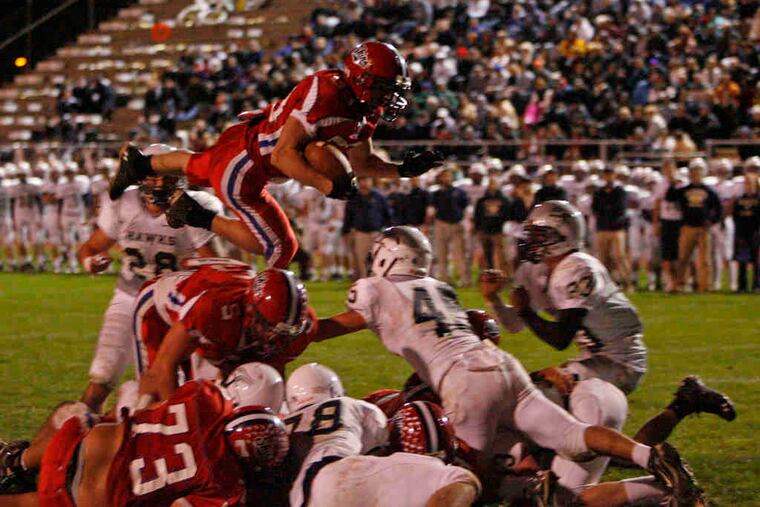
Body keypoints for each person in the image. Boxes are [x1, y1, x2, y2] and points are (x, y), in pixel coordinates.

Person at [311, 226, 703, 503]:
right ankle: (650, 457)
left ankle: (533, 486)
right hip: (500, 364)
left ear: (387, 255)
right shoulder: (439, 288)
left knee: (468, 479)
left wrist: (292, 331)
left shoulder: (373, 288)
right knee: (570, 433)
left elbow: (335, 327)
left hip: (462, 380)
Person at [108, 41, 442, 269]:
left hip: (249, 148)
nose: (389, 96)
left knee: (196, 164)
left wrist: (402, 170)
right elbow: (285, 155)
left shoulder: (364, 111)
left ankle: (140, 164)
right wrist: (327, 187)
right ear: (361, 77)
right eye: (385, 87)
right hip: (249, 164)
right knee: (282, 248)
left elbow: (363, 163)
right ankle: (258, 308)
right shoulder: (326, 91)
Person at [76, 146, 221, 412]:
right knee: (101, 377)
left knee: (170, 382)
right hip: (129, 297)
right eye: (155, 175)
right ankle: (78, 443)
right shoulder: (124, 203)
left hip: (173, 307)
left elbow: (215, 265)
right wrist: (91, 262)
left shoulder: (193, 206)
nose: (161, 182)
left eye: (168, 175)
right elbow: (89, 248)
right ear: (141, 176)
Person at [0, 380, 289, 506]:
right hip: (74, 500)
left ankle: (16, 462)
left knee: (76, 413)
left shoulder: (209, 398)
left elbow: (164, 399)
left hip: (74, 442)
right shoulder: (225, 485)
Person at [480, 200, 647, 395]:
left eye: (540, 235)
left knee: (531, 397)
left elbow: (560, 338)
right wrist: (493, 298)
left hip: (620, 361)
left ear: (564, 236)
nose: (532, 241)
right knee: (522, 391)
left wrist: (525, 311)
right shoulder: (537, 270)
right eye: (531, 235)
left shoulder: (579, 268)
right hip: (593, 357)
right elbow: (514, 325)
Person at [135, 264, 316, 404]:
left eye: (284, 332)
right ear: (250, 310)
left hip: (204, 318)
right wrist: (176, 419)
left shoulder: (294, 323)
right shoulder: (215, 309)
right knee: (157, 392)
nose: (274, 338)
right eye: (269, 328)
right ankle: (124, 425)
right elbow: (166, 363)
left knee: (223, 393)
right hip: (159, 313)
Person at [668, 158, 722, 293]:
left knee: (705, 260)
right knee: (683, 257)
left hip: (704, 228)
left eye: (698, 171)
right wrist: (672, 184)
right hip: (687, 226)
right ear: (690, 173)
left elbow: (719, 208)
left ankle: (705, 286)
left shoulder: (709, 191)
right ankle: (680, 284)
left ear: (703, 173)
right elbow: (670, 198)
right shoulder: (683, 190)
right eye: (693, 171)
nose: (696, 174)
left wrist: (712, 220)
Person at [341, 176, 391, 280]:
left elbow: (387, 215)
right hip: (360, 233)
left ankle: (378, 280)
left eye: (366, 180)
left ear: (371, 181)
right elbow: (348, 216)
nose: (364, 183)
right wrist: (345, 231)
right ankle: (365, 281)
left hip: (377, 232)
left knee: (378, 258)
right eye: (362, 180)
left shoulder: (379, 196)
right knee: (362, 260)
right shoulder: (353, 198)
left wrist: (389, 231)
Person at [593, 166, 632, 291]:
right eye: (606, 174)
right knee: (603, 257)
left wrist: (607, 209)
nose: (608, 177)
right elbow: (595, 208)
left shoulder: (620, 191)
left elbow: (620, 208)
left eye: (610, 174)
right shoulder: (599, 191)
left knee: (619, 256)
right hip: (603, 227)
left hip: (617, 228)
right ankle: (605, 284)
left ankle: (627, 283)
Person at [430, 168, 470, 286]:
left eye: (448, 176)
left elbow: (466, 208)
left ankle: (465, 280)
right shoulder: (436, 193)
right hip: (441, 224)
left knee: (460, 255)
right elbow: (432, 209)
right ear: (440, 178)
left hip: (456, 224)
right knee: (441, 254)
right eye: (444, 176)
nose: (446, 178)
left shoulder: (459, 192)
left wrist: (465, 222)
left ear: (452, 177)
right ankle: (444, 280)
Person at [653, 158, 683, 292]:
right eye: (666, 168)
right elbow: (657, 204)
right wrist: (656, 223)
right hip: (666, 220)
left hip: (679, 220)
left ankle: (679, 282)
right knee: (666, 254)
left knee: (679, 254)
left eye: (671, 167)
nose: (669, 170)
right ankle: (669, 282)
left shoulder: (682, 183)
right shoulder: (661, 184)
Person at [732, 157, 760, 292]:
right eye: (747, 183)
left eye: (751, 183)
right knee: (742, 260)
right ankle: (742, 285)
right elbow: (735, 216)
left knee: (757, 261)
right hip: (743, 232)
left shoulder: (758, 199)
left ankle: (756, 285)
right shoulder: (739, 200)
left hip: (756, 232)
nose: (749, 185)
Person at [473, 177, 511, 271]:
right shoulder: (482, 200)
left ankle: (504, 275)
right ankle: (489, 275)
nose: (492, 185)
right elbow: (477, 215)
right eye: (490, 183)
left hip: (498, 230)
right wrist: (478, 228)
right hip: (485, 230)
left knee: (501, 254)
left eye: (494, 183)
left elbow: (507, 214)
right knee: (487, 254)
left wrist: (504, 228)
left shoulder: (504, 200)